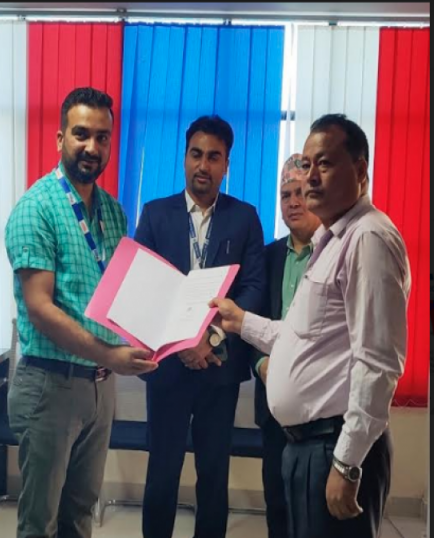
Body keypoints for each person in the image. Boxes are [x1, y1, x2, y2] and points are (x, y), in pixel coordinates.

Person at [212, 114, 411, 538]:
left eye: (325, 163)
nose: (311, 178)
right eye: (307, 164)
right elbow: (300, 336)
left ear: (360, 170)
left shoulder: (368, 238)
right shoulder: (331, 240)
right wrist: (241, 321)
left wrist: (347, 462)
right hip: (305, 444)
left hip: (333, 445)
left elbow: (379, 362)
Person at [4, 87, 157, 538]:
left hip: (99, 387)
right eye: (81, 134)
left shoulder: (113, 212)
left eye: (102, 137)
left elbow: (118, 295)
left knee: (80, 515)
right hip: (50, 384)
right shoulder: (36, 208)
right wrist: (110, 355)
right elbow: (40, 308)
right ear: (60, 139)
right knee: (41, 522)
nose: (92, 146)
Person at [135, 115, 266, 538]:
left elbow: (253, 286)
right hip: (168, 368)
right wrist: (182, 345)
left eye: (213, 157)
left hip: (218, 368)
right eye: (196, 154)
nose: (203, 165)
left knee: (213, 473)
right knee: (162, 473)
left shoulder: (244, 218)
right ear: (184, 158)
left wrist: (209, 339)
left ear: (227, 164)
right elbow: (144, 289)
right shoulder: (155, 215)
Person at [252, 154, 321, 538]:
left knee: (315, 513)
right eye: (285, 195)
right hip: (274, 406)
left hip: (321, 412)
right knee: (276, 506)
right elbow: (252, 321)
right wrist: (261, 365)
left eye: (300, 193)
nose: (293, 202)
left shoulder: (335, 252)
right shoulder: (267, 257)